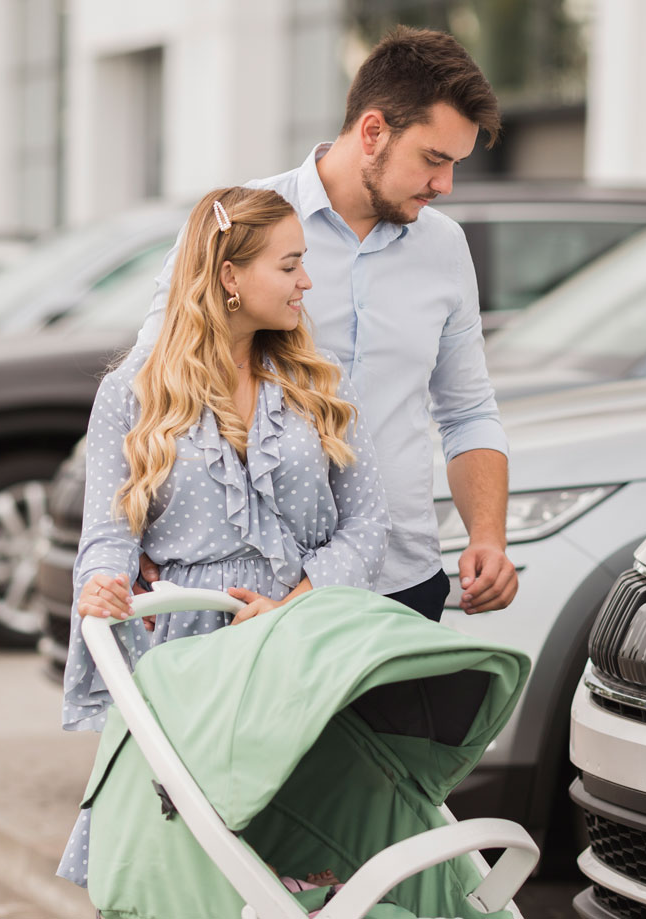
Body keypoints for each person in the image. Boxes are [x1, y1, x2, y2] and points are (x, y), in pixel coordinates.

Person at [57, 186, 390, 887]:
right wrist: (103, 582)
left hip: (304, 647)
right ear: (230, 277)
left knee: (314, 856)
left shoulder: (320, 383)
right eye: (290, 264)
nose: (307, 281)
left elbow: (366, 524)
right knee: (197, 870)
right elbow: (108, 531)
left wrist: (297, 601)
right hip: (189, 662)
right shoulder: (133, 391)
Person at [132, 26, 518, 622]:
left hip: (404, 583)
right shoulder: (240, 223)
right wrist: (129, 538)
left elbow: (467, 412)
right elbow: (153, 381)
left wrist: (488, 536)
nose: (445, 185)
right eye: (434, 159)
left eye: (454, 165)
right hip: (261, 589)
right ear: (373, 132)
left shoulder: (445, 247)